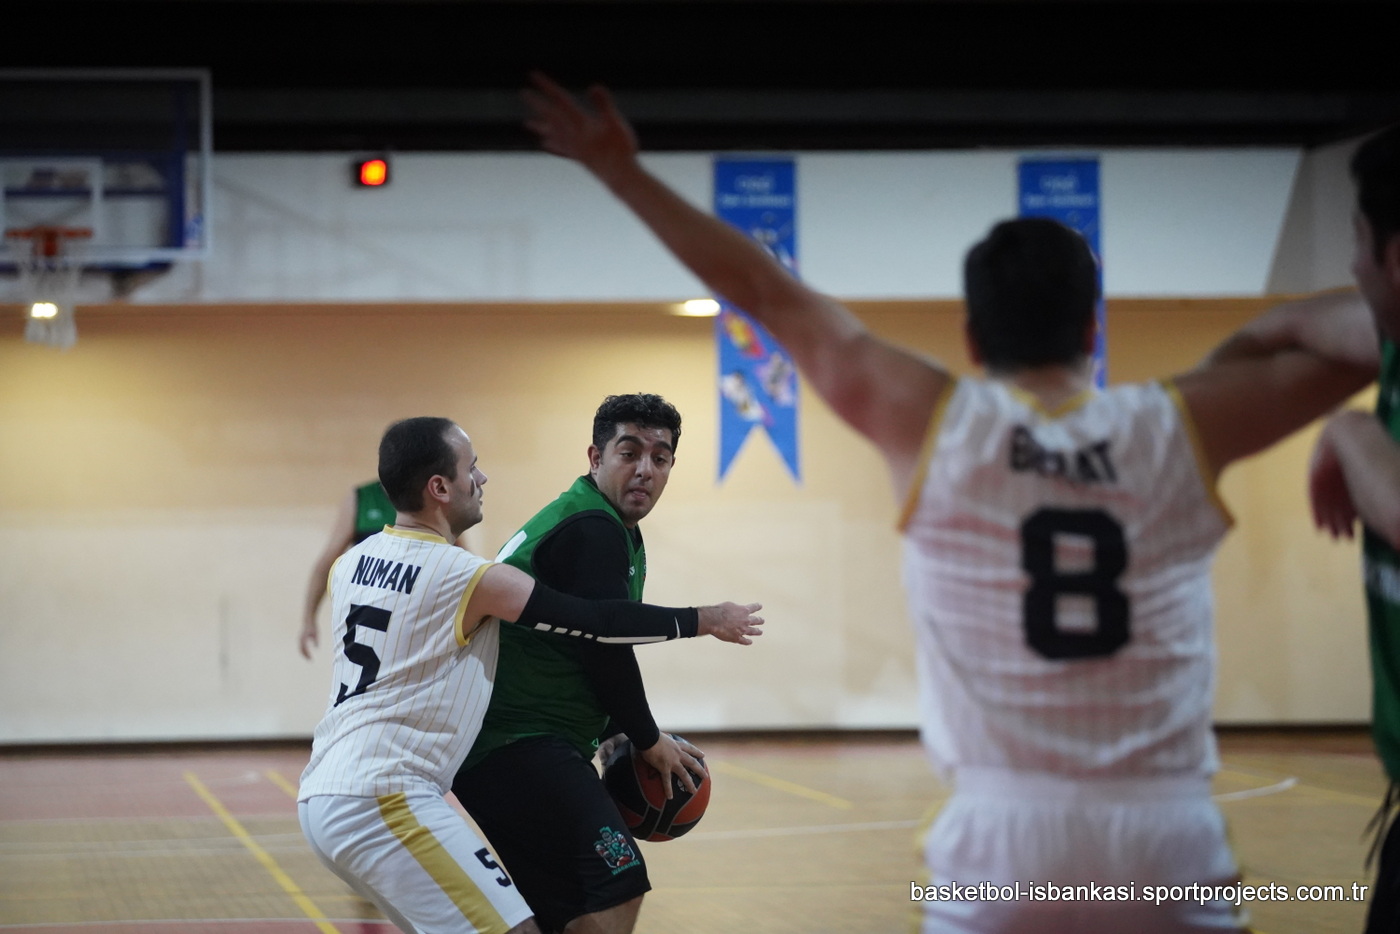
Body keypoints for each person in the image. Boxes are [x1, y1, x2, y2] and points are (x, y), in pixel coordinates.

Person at [519, 73, 1377, 933]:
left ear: (970, 336)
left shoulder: (941, 426)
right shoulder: (1176, 428)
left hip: (1003, 835)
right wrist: (1278, 352)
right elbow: (1370, 334)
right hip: (1165, 830)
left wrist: (621, 170)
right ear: (1093, 328)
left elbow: (767, 290)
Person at [297, 416, 763, 934]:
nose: (482, 479)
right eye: (472, 468)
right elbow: (597, 623)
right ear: (440, 488)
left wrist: (611, 726)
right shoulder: (465, 576)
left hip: (323, 791)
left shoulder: (353, 564)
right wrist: (704, 619)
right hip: (387, 796)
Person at [452, 393, 697, 934]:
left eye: (660, 458)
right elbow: (605, 644)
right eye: (629, 453)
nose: (645, 469)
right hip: (518, 744)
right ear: (595, 456)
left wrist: (612, 732)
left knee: (557, 915)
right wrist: (647, 738)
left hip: (510, 749)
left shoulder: (601, 521)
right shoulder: (592, 527)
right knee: (618, 887)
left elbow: (575, 641)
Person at [1240, 125, 1400, 934]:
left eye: (1357, 240)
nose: (1350, 264)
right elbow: (1292, 326)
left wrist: (1350, 430)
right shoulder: (1393, 346)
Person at [301, 479, 398, 658]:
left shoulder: (429, 496)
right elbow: (327, 562)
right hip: (370, 609)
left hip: (410, 605)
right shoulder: (361, 497)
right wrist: (309, 619)